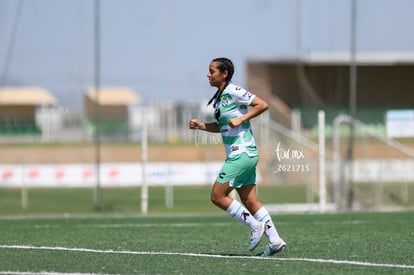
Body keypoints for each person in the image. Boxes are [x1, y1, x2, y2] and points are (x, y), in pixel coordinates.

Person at [189, 57, 286, 256]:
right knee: (250, 202)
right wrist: (201, 126)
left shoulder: (234, 91)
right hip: (244, 155)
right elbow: (223, 126)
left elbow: (262, 104)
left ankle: (254, 226)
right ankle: (275, 241)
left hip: (240, 154)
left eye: (212, 71)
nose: (208, 74)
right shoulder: (219, 98)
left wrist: (241, 118)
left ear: (224, 74)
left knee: (217, 196)